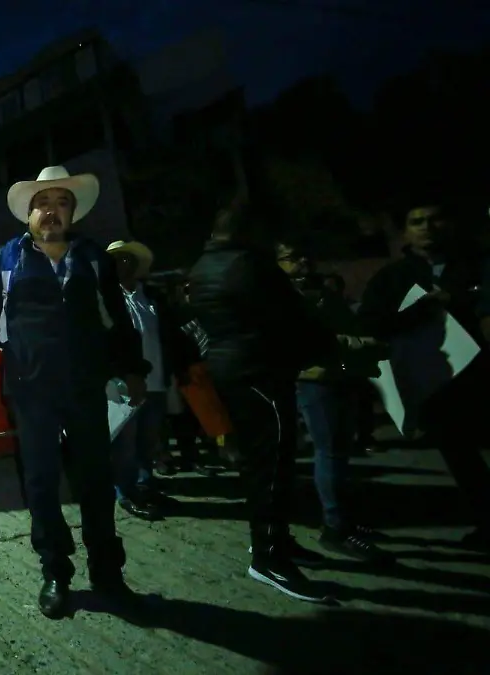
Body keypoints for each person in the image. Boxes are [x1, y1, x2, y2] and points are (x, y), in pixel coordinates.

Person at [0, 166, 149, 619]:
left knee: (95, 480)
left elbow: (116, 320)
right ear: (29, 213)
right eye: (43, 204)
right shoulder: (5, 259)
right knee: (42, 483)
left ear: (71, 213)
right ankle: (55, 571)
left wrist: (132, 368)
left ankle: (107, 572)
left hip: (86, 387)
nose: (52, 211)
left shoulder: (92, 258)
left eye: (62, 203)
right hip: (30, 390)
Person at [187, 203, 339, 602]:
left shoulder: (203, 266)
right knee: (272, 466)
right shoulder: (249, 265)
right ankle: (270, 556)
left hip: (234, 369)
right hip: (260, 370)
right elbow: (290, 317)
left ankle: (276, 543)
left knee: (263, 463)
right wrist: (325, 348)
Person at [358, 200, 490, 552]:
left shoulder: (476, 267)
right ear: (406, 231)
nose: (427, 228)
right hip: (436, 385)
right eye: (418, 221)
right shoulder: (394, 276)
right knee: (462, 458)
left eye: (435, 219)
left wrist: (458, 301)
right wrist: (414, 313)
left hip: (481, 378)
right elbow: (371, 322)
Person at [274, 238, 394, 564]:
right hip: (316, 381)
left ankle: (343, 521)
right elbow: (307, 339)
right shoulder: (284, 297)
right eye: (292, 256)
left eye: (305, 255)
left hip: (339, 376)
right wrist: (360, 343)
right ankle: (335, 527)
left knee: (340, 453)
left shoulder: (318, 290)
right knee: (329, 452)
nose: (302, 262)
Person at [105, 240, 199, 521]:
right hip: (124, 383)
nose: (124, 265)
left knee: (149, 439)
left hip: (156, 380)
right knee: (125, 442)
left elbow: (168, 334)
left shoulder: (152, 297)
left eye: (128, 260)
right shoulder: (107, 298)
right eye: (118, 260)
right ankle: (125, 492)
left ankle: (146, 486)